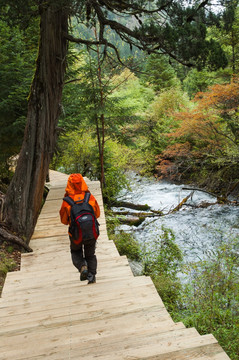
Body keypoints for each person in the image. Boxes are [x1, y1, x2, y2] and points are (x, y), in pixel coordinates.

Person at [60, 173, 100, 284]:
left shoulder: (67, 201)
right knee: (90, 255)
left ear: (69, 184)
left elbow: (63, 221)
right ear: (83, 183)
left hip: (76, 234)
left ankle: (82, 266)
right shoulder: (89, 197)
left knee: (76, 251)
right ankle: (92, 278)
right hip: (92, 232)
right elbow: (97, 214)